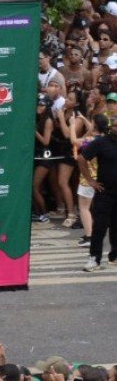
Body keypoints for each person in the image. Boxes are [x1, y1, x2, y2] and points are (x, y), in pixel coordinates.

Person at [78, 115, 117, 271]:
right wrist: (90, 180)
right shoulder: (101, 142)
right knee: (99, 227)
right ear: (111, 127)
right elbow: (81, 158)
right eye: (115, 125)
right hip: (104, 192)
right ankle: (94, 258)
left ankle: (114, 256)